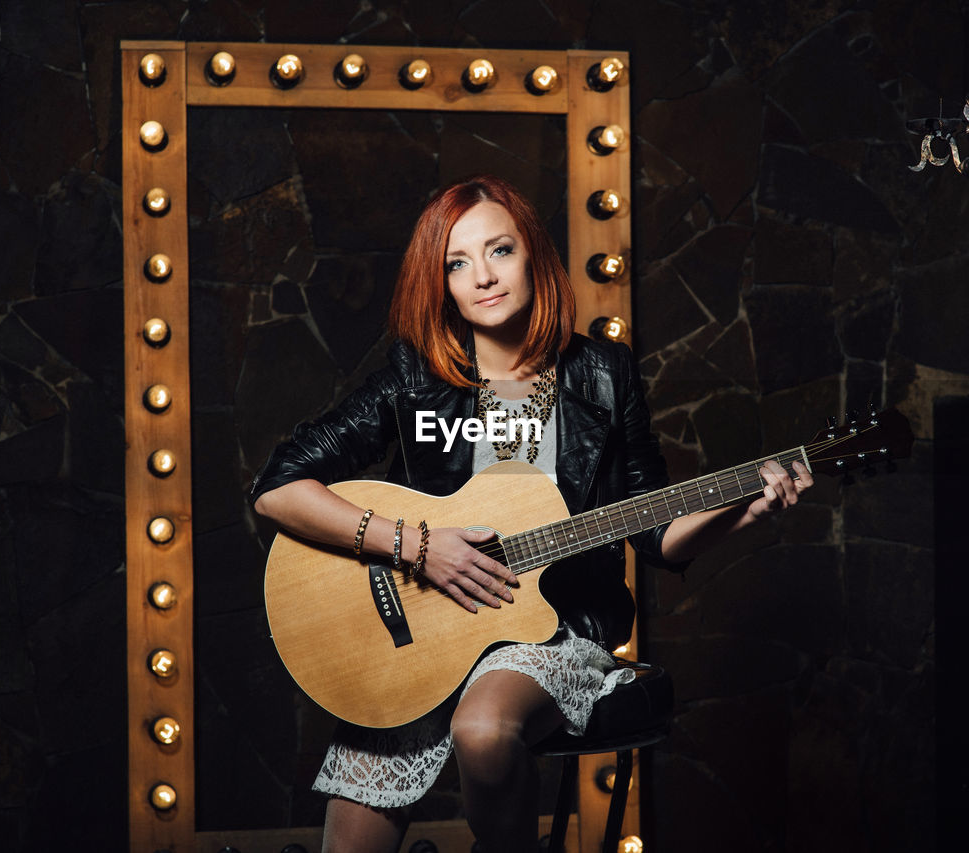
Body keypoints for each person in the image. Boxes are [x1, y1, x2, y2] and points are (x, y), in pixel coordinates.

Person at [249, 174, 812, 853]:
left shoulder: (603, 374)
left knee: (482, 726)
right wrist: (416, 545)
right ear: (441, 283)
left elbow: (655, 528)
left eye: (499, 251)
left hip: (551, 631)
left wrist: (741, 512)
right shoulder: (415, 374)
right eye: (457, 263)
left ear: (533, 256)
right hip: (424, 630)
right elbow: (277, 487)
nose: (482, 276)